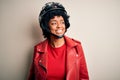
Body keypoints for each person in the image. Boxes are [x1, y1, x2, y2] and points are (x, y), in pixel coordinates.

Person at [28, 2, 89, 80]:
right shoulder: (38, 49)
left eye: (62, 22)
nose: (59, 26)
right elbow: (32, 77)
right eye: (54, 23)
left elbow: (84, 77)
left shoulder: (77, 47)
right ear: (46, 26)